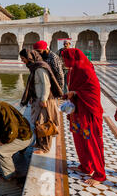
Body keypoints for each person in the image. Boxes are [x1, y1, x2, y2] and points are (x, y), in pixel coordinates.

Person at [61, 48, 106, 186]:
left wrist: (75, 93)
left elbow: (93, 92)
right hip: (78, 114)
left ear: (73, 59)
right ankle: (86, 166)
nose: (64, 62)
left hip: (88, 114)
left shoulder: (86, 70)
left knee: (92, 142)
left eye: (65, 59)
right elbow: (74, 89)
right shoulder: (72, 71)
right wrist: (69, 95)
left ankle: (99, 174)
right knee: (80, 141)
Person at [20, 49, 63, 154]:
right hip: (37, 98)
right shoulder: (34, 68)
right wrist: (31, 96)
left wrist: (43, 99)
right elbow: (34, 85)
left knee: (44, 123)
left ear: (29, 58)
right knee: (37, 122)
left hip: (44, 99)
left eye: (23, 59)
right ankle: (39, 143)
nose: (22, 61)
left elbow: (46, 84)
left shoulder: (40, 68)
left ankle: (45, 148)